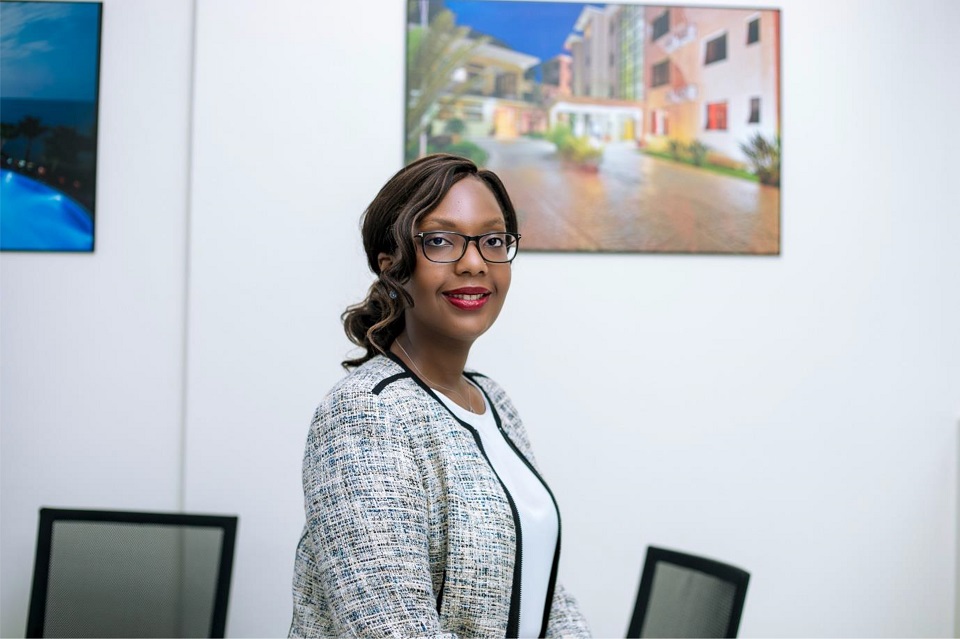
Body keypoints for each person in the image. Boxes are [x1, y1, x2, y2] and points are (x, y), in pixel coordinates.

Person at [290, 154, 591, 638]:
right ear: (392, 267)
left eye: (493, 240)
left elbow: (546, 592)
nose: (474, 262)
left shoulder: (493, 401)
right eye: (440, 241)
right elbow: (391, 629)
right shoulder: (366, 414)